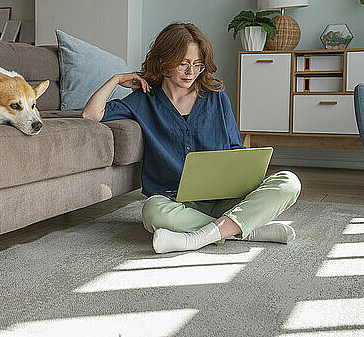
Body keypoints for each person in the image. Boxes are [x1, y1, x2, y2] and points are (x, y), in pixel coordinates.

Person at [81, 22, 301, 254]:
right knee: (152, 212)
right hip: (178, 202)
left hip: (226, 196)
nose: (191, 72)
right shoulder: (144, 100)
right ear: (164, 62)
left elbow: (235, 145)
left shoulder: (215, 94)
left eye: (197, 65)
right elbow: (91, 114)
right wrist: (116, 79)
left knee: (289, 182)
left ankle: (199, 237)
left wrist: (247, 170)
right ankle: (246, 229)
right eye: (183, 64)